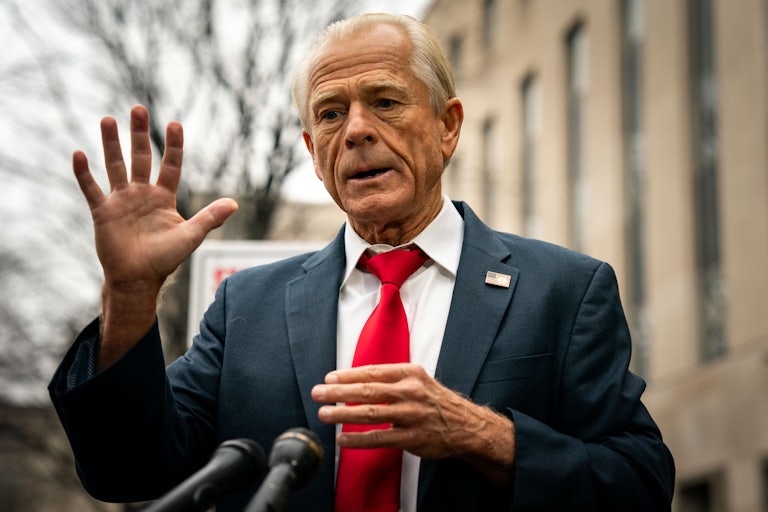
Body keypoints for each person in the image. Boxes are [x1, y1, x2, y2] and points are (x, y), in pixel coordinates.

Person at [49, 12, 675, 512]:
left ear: (448, 127)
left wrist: (485, 436)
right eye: (330, 113)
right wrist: (129, 296)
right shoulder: (246, 307)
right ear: (312, 150)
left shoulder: (563, 290)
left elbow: (640, 484)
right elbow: (125, 471)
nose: (355, 131)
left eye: (385, 102)